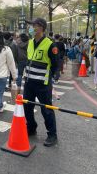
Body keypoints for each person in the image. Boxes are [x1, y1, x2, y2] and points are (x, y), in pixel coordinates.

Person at [24, 18, 59, 147]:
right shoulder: (30, 42)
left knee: (47, 109)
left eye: (34, 26)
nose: (32, 28)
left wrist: (51, 77)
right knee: (27, 107)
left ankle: (52, 134)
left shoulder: (50, 44)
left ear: (42, 28)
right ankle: (31, 128)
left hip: (43, 84)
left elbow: (55, 64)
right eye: (31, 26)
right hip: (29, 82)